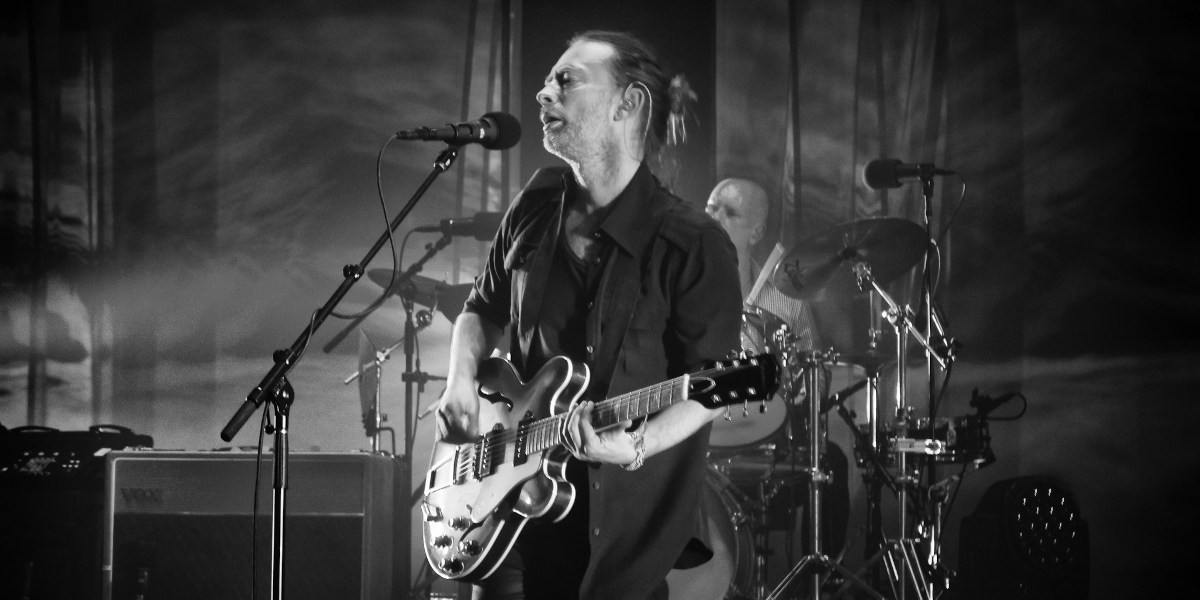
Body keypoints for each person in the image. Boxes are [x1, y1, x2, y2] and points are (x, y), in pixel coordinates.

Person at [436, 30, 744, 600]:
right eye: (549, 78)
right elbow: (481, 308)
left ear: (629, 105)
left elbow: (717, 385)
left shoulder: (693, 243)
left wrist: (637, 445)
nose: (542, 93)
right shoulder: (534, 204)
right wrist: (458, 381)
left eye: (566, 79)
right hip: (507, 522)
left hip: (617, 543)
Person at [704, 177, 850, 561]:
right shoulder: (687, 286)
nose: (712, 216)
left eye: (727, 212)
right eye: (710, 208)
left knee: (830, 460)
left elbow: (814, 369)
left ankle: (820, 578)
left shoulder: (786, 300)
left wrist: (799, 389)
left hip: (765, 433)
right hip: (702, 435)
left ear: (756, 232)